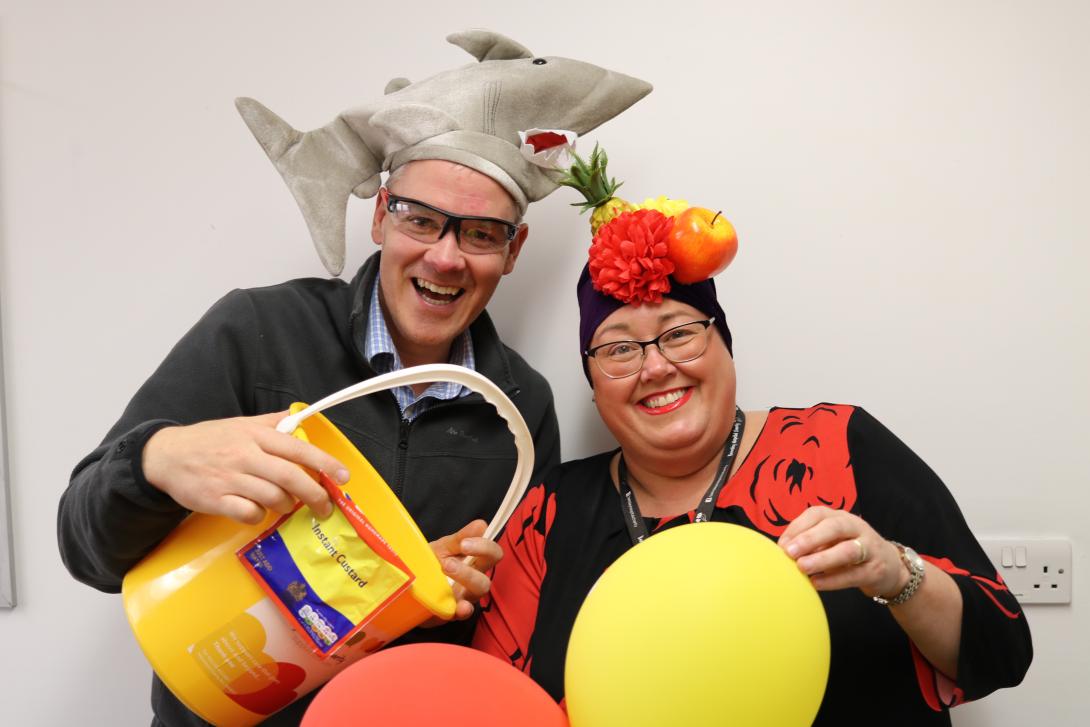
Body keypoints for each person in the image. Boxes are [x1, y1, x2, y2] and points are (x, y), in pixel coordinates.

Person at [57, 31, 651, 726]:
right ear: (378, 216)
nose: (446, 256)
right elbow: (85, 547)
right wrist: (156, 460)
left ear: (513, 250)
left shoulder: (521, 409)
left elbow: (496, 645)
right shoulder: (257, 330)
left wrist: (429, 592)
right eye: (420, 219)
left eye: (481, 233)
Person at [472, 168, 1033, 724]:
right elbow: (494, 708)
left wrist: (893, 571)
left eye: (680, 333)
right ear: (594, 384)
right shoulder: (547, 513)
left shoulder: (838, 446)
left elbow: (1003, 651)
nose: (657, 366)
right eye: (618, 349)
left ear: (725, 344)